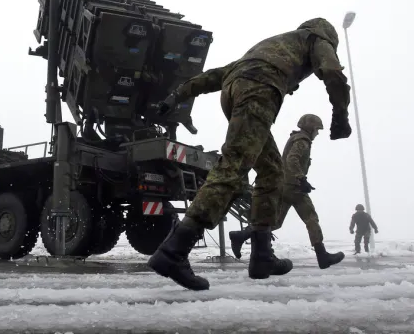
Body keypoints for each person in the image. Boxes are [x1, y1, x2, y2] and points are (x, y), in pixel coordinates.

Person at [147, 18, 352, 291]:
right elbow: (333, 73)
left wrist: (174, 98)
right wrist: (340, 117)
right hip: (259, 92)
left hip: (235, 92)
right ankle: (173, 252)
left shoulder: (270, 48)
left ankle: (262, 255)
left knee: (271, 171)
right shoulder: (317, 39)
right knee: (234, 166)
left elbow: (212, 77)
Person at [228, 114, 345, 269]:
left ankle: (241, 235)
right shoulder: (303, 140)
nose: (317, 133)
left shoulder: (297, 138)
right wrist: (301, 179)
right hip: (294, 187)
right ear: (310, 128)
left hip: (284, 185)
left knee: (275, 222)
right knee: (311, 218)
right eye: (317, 129)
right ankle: (322, 256)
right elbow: (292, 159)